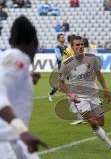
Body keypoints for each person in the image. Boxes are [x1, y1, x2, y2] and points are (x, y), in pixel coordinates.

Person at [59, 36, 111, 153]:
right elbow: (60, 83)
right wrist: (70, 94)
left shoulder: (92, 58)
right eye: (77, 45)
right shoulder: (67, 63)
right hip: (78, 97)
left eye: (82, 44)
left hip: (93, 93)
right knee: (93, 122)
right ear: (72, 47)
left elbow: (99, 75)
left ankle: (91, 122)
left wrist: (105, 89)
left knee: (101, 122)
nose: (80, 47)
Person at [0, 15, 47, 159]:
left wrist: (28, 81)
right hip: (9, 141)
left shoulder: (7, 57)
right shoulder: (18, 57)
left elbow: (7, 89)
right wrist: (22, 131)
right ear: (35, 42)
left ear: (9, 41)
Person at [48, 33, 67, 101]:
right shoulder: (57, 48)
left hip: (68, 67)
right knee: (59, 83)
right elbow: (59, 58)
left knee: (73, 79)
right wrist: (66, 57)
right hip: (61, 67)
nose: (63, 38)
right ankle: (50, 94)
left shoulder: (66, 47)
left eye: (63, 37)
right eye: (61, 37)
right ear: (58, 39)